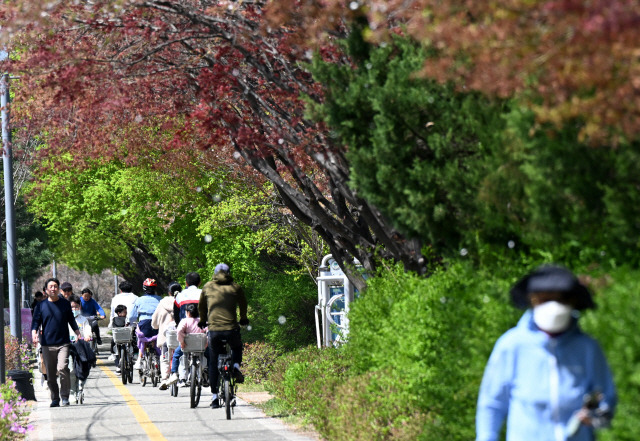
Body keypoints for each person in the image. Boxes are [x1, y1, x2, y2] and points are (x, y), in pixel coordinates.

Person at [476, 264, 617, 441]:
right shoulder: (512, 345)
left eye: (560, 299)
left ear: (572, 302)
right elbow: (492, 402)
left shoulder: (587, 347)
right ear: (532, 300)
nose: (553, 306)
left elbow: (606, 396)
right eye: (545, 299)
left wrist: (597, 414)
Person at [198, 263, 248, 409]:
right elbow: (243, 303)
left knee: (213, 362)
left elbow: (201, 306)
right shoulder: (235, 287)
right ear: (228, 273)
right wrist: (243, 317)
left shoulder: (207, 287)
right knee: (237, 346)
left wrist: (202, 320)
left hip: (214, 331)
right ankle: (237, 367)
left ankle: (214, 398)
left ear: (214, 273)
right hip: (231, 329)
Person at [31, 278, 83, 407]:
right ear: (46, 290)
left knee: (63, 368)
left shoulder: (65, 304)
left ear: (58, 289)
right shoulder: (41, 306)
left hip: (63, 342)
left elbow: (71, 319)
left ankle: (64, 397)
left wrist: (78, 332)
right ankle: (55, 398)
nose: (53, 289)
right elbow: (36, 322)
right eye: (51, 287)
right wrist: (34, 334)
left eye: (55, 286)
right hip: (47, 343)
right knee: (51, 373)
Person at [171, 272, 202, 387]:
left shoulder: (180, 296)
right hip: (201, 332)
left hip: (186, 332)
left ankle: (177, 375)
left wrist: (182, 326)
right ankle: (206, 372)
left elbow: (176, 314)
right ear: (200, 283)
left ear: (186, 283)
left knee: (180, 353)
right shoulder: (204, 294)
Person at [168, 304, 209, 385]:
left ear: (188, 313)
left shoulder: (184, 321)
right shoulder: (202, 321)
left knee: (176, 354)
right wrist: (206, 342)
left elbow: (179, 331)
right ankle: (209, 373)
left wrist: (182, 342)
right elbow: (208, 331)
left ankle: (174, 373)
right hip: (200, 346)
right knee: (209, 356)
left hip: (186, 346)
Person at [153, 281, 181, 389]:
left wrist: (155, 326)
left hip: (166, 336)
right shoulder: (182, 301)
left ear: (169, 292)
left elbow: (154, 321)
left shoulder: (162, 303)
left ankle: (164, 378)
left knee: (164, 355)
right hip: (181, 335)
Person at [129, 278, 162, 369]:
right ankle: (159, 359)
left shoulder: (139, 300)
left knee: (142, 339)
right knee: (157, 339)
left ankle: (139, 360)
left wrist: (130, 322)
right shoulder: (160, 299)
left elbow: (132, 316)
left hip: (144, 323)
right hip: (157, 323)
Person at [68, 295, 93, 403]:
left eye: (76, 307)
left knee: (82, 369)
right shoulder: (65, 319)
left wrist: (87, 336)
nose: (74, 309)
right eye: (72, 307)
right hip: (69, 346)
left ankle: (80, 388)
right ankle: (72, 392)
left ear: (80, 307)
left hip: (81, 347)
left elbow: (87, 329)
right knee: (71, 369)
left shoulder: (83, 320)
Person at [109, 280, 138, 361]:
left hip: (118, 324)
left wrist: (111, 323)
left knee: (114, 339)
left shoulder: (115, 298)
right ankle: (135, 353)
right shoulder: (136, 298)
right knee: (134, 338)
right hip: (131, 325)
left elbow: (112, 312)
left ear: (120, 290)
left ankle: (113, 354)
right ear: (131, 289)